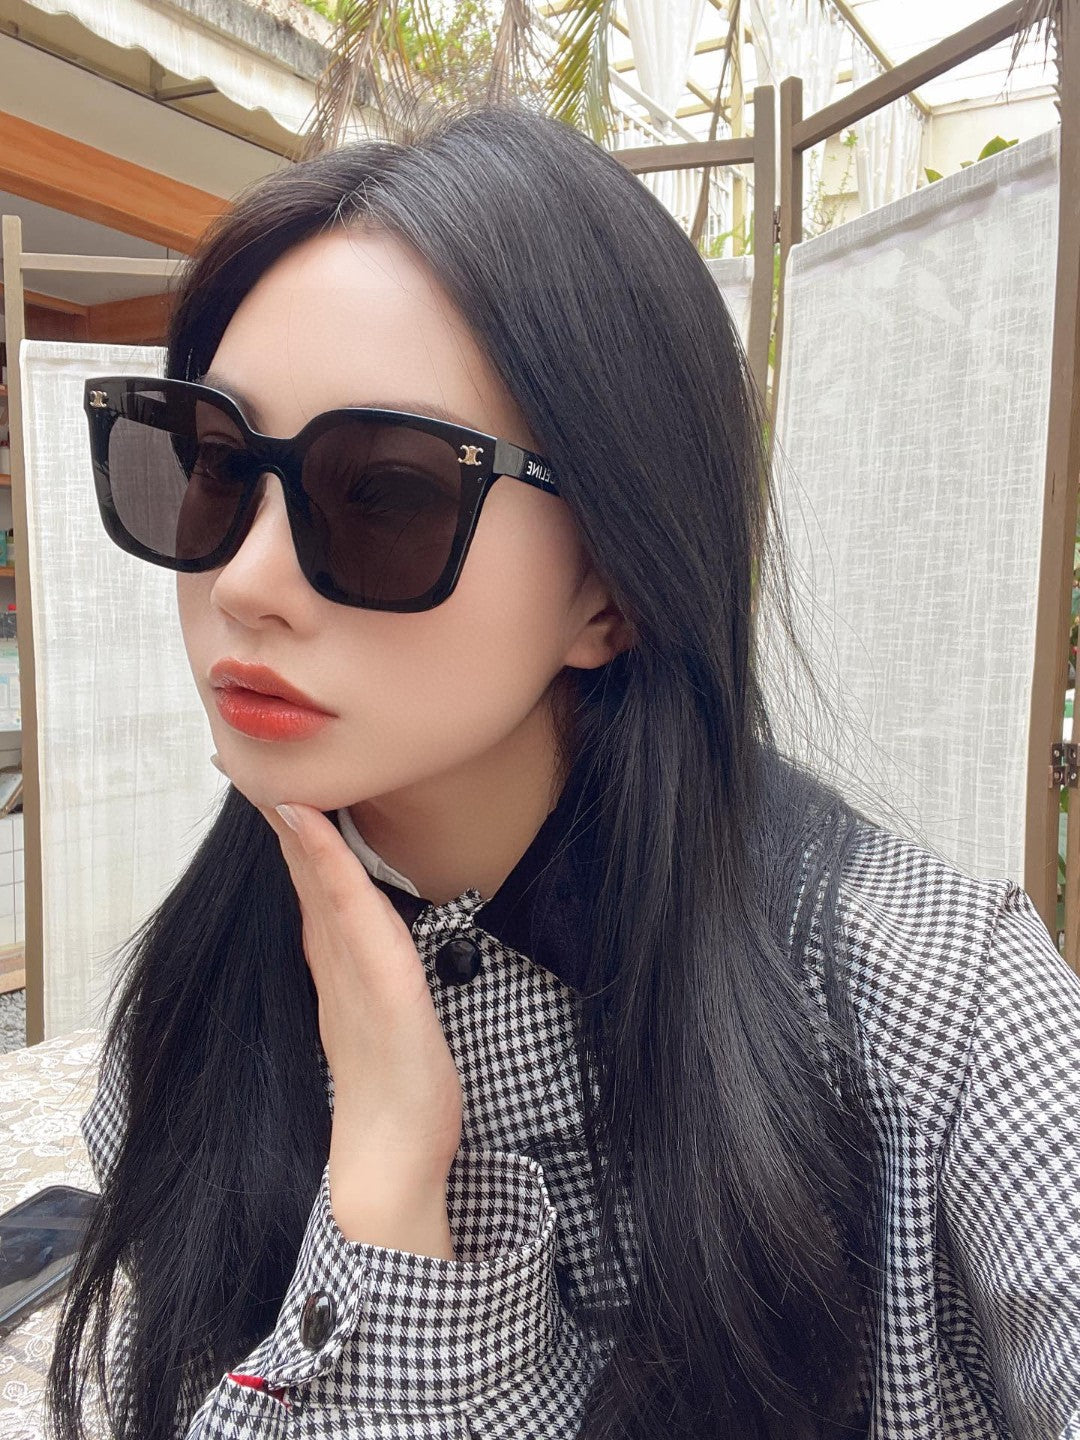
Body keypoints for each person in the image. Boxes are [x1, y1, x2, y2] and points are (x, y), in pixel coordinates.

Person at [46, 101, 1079, 1440]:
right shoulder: (199, 1002)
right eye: (217, 464)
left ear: (611, 585)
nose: (245, 581)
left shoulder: (944, 1009)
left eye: (388, 491)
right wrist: (385, 1188)